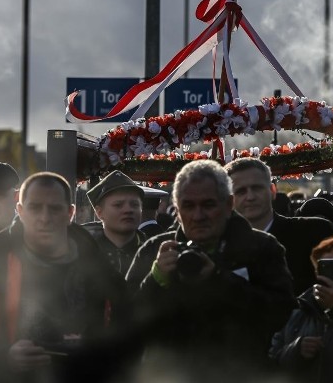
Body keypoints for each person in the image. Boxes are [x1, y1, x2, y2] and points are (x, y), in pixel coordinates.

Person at [125, 160, 295, 378]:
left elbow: (280, 313)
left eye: (208, 205)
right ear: (176, 209)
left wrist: (218, 279)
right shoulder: (154, 250)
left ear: (228, 205)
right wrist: (156, 278)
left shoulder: (261, 248)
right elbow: (125, 323)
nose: (198, 216)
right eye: (188, 206)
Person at [0, 171, 131, 382]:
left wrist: (97, 356)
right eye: (35, 208)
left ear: (70, 213)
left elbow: (127, 335)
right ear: (20, 211)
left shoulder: (99, 266)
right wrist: (6, 355)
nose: (45, 218)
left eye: (54, 208)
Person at [225, 158, 333, 294]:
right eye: (240, 191)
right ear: (228, 200)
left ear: (272, 190)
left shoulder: (314, 232)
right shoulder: (219, 245)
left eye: (257, 188)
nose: (250, 197)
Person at [270, 234, 333, 383]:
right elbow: (271, 363)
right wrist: (296, 350)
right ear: (317, 273)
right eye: (331, 270)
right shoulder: (297, 312)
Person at [83, 170, 148, 276]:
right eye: (118, 205)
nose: (128, 210)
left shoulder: (154, 252)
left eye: (134, 204)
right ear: (99, 212)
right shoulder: (83, 254)